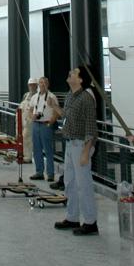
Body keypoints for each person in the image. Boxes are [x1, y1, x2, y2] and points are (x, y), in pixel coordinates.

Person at [54, 65, 99, 236]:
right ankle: (72, 217)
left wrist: (86, 152)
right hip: (70, 143)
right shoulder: (70, 96)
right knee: (70, 182)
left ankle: (90, 222)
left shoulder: (87, 98)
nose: (70, 73)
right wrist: (55, 106)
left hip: (81, 145)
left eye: (74, 72)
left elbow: (91, 128)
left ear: (80, 79)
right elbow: (66, 115)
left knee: (83, 185)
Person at [33, 76, 61, 182]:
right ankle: (39, 172)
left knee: (48, 150)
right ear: (38, 85)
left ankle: (50, 174)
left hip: (46, 125)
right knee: (36, 150)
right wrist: (32, 116)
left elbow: (56, 112)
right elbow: (31, 109)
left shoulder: (52, 97)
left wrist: (51, 123)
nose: (42, 84)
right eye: (40, 82)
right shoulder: (35, 97)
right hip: (36, 124)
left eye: (44, 82)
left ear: (47, 84)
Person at [19, 78, 40, 179]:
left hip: (31, 121)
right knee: (23, 138)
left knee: (28, 138)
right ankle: (23, 155)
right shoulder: (26, 95)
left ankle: (28, 157)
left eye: (33, 85)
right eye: (30, 85)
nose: (31, 86)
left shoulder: (38, 96)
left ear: (36, 86)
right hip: (24, 120)